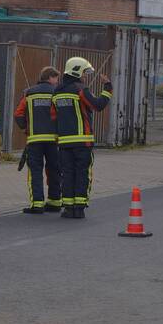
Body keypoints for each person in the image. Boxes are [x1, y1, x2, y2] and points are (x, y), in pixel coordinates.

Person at [52, 57, 112, 219]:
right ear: (76, 71)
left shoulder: (57, 92)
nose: (85, 76)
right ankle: (79, 208)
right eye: (84, 73)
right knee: (82, 174)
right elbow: (98, 105)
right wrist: (107, 88)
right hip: (82, 142)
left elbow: (53, 116)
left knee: (67, 174)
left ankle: (68, 208)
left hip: (64, 143)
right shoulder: (80, 89)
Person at [14, 66, 62, 214]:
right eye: (56, 78)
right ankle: (54, 201)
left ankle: (37, 204)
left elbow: (18, 113)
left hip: (34, 139)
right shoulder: (56, 92)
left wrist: (25, 128)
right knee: (54, 169)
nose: (57, 81)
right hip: (53, 139)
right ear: (50, 77)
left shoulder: (29, 93)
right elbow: (60, 114)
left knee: (35, 171)